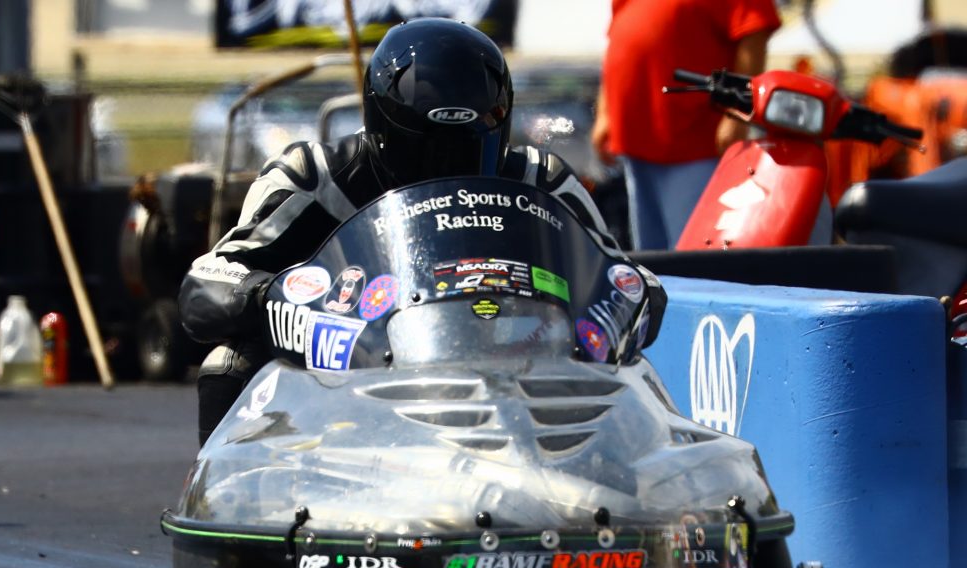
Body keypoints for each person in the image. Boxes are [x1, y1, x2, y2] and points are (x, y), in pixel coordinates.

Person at [180, 17, 667, 446]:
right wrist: (276, 297)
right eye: (428, 148)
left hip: (515, 370)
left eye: (463, 148)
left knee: (636, 375)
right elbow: (207, 283)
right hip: (346, 381)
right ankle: (230, 506)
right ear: (382, 124)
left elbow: (625, 277)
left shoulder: (541, 179)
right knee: (230, 362)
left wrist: (606, 316)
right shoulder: (313, 176)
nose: (445, 168)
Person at [591, 0, 781, 250]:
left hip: (695, 144)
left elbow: (753, 31)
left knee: (691, 258)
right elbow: (618, 38)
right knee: (652, 261)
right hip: (637, 146)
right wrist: (605, 112)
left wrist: (736, 110)